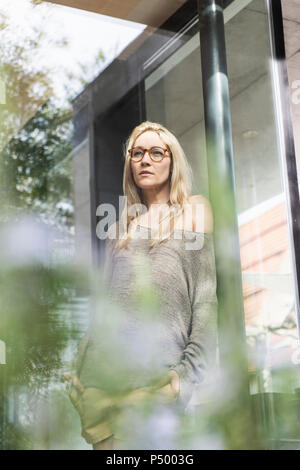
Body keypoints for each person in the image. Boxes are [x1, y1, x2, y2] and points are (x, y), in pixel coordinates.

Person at [64, 121, 218, 450]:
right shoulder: (118, 229)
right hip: (103, 392)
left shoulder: (194, 211)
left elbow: (205, 305)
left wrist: (181, 379)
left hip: (158, 389)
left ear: (172, 160)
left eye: (156, 152)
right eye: (137, 153)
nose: (145, 159)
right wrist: (77, 374)